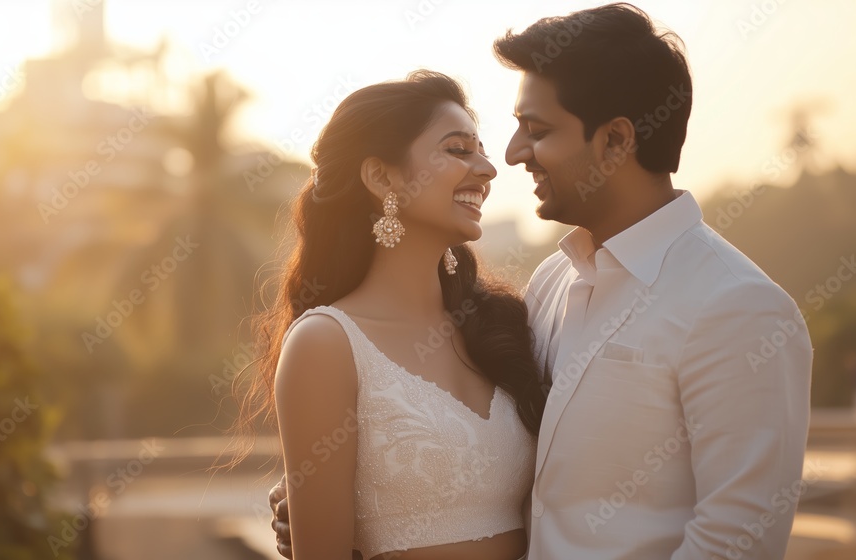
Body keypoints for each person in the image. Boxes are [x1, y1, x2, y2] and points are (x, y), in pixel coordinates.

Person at [271, 4, 813, 559]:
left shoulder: (739, 308)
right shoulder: (549, 286)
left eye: (538, 130)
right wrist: (335, 497)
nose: (508, 157)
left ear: (615, 140)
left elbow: (735, 542)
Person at [243, 70, 547, 560]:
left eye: (481, 149)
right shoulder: (326, 344)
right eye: (457, 149)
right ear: (381, 176)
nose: (488, 169)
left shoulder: (502, 327)